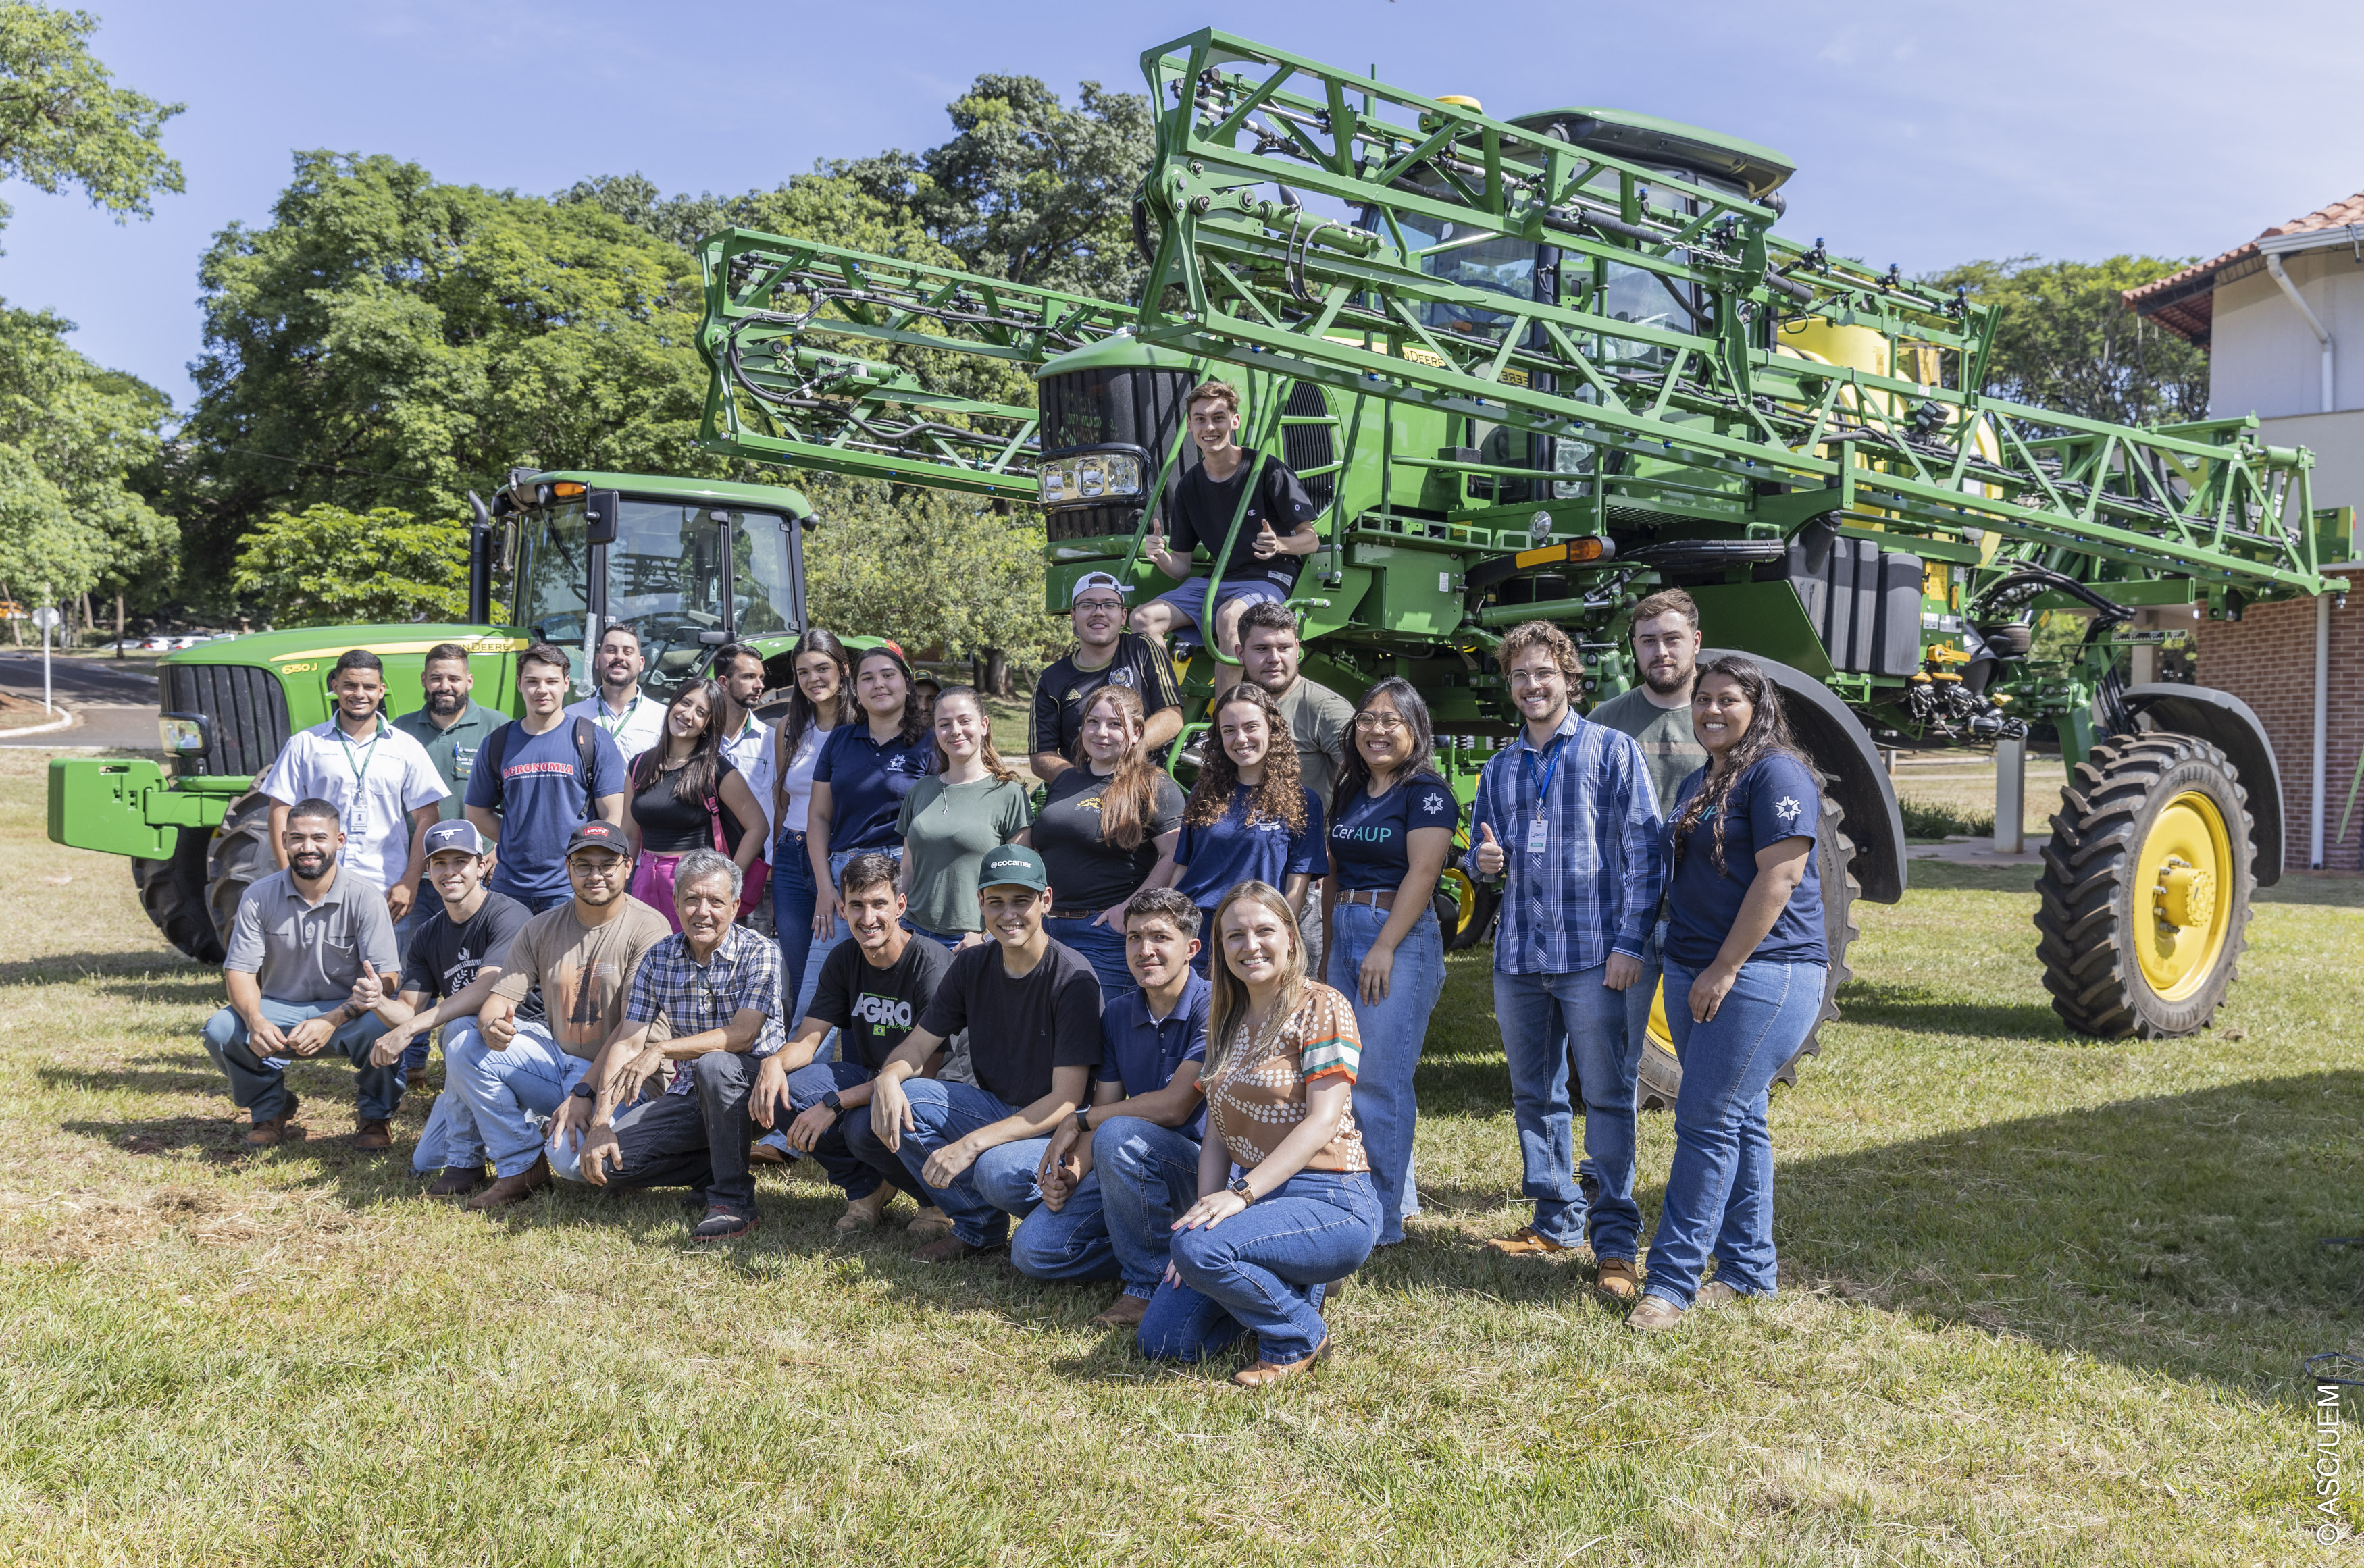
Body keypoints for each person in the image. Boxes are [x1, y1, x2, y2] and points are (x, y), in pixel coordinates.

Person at [1628, 658, 1827, 1332]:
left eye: (1727, 699)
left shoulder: (1777, 773)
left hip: (1762, 972)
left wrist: (1724, 966)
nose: (1711, 710)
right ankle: (1747, 1271)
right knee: (1739, 1119)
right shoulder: (1703, 779)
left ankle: (1671, 1283)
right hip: (1694, 967)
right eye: (1702, 699)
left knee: (1705, 1118)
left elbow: (1781, 876)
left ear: (1757, 706)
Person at [1467, 621, 1664, 1300]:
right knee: (1534, 1094)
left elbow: (1646, 854)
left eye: (1544, 673)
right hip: (1519, 955)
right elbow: (1483, 858)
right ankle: (1555, 1221)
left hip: (1593, 957)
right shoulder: (1499, 767)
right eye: (1520, 675)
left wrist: (1629, 945)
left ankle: (1615, 1243)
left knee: (1606, 1096)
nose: (1532, 685)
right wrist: (1483, 862)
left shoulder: (1611, 750)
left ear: (1569, 679)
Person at [1138, 880, 1378, 1388]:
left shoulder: (1322, 1004)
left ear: (1290, 935)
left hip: (1330, 1195)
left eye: (1264, 930)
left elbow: (1322, 1120)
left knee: (1201, 1253)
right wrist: (1200, 1222)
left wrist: (1238, 1199)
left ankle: (1298, 1336)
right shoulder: (1225, 1019)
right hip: (1260, 1202)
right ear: (1220, 948)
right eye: (1235, 936)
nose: (1251, 945)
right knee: (1164, 1341)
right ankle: (1289, 1282)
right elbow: (1217, 1134)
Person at [848, 845, 1102, 1263]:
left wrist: (971, 1144)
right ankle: (978, 1227)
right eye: (996, 901)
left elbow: (1066, 1101)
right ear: (980, 903)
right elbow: (917, 1045)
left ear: (1046, 901)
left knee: (995, 1169)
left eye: (1021, 900)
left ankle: (1059, 1208)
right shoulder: (971, 965)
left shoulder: (1072, 978)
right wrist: (889, 1078)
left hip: (1054, 1127)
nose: (1009, 914)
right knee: (897, 1101)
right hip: (995, 1107)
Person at [546, 850, 786, 1242]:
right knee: (607, 1163)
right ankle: (710, 1169)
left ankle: (733, 1202)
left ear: (735, 906)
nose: (702, 912)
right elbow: (627, 1041)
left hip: (757, 1090)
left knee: (715, 1065)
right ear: (675, 902)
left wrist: (662, 1050)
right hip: (691, 1093)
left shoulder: (760, 951)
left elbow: (742, 1036)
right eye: (692, 899)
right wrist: (602, 1121)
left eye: (716, 901)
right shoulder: (659, 957)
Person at [447, 819, 672, 1210]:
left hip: (627, 1080)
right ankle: (521, 1167)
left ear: (628, 866)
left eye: (607, 864)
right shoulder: (541, 927)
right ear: (568, 868)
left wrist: (585, 1092)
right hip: (559, 1062)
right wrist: (491, 1025)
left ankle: (626, 1147)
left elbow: (631, 1029)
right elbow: (499, 998)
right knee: (462, 1040)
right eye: (583, 865)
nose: (595, 875)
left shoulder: (649, 928)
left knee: (570, 1164)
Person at [1014, 887, 1211, 1328]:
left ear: (1191, 948)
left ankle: (1145, 1285)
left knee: (1118, 1133)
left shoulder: (1215, 1006)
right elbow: (1106, 1106)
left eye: (1160, 937)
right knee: (1034, 1251)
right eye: (1134, 937)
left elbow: (1177, 1107)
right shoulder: (1119, 1014)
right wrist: (1072, 1171)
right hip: (1131, 1169)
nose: (1145, 950)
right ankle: (1166, 1250)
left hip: (1200, 1172)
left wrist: (1078, 1119)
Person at [750, 852, 952, 1232]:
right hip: (876, 1078)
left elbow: (922, 1076)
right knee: (784, 1093)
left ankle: (938, 1201)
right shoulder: (844, 958)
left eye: (879, 904)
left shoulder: (931, 965)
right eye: (857, 905)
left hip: (935, 1092)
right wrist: (773, 1063)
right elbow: (807, 1043)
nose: (868, 917)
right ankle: (867, 1190)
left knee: (862, 1126)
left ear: (900, 906)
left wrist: (835, 1103)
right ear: (842, 909)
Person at [1323, 677, 1454, 1247]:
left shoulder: (1426, 792)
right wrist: (1330, 948)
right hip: (1346, 928)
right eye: (1367, 719)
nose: (1376, 730)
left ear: (1415, 730)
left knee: (1379, 1077)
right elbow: (1333, 874)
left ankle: (1381, 1220)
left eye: (1390, 720)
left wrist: (1384, 946)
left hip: (1396, 935)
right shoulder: (1350, 790)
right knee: (1339, 1073)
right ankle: (1366, 1196)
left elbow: (1423, 874)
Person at [200, 798, 406, 1149]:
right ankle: (270, 1109)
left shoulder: (366, 897)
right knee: (221, 1029)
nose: (308, 847)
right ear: (284, 841)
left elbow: (387, 979)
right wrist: (255, 1021)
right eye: (297, 838)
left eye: (319, 838)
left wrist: (332, 1019)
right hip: (278, 1009)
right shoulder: (258, 896)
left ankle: (375, 1115)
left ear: (339, 840)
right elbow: (240, 972)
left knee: (387, 1025)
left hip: (348, 1012)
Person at [361, 821, 535, 1198]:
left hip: (524, 1041)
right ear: (428, 870)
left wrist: (409, 1031)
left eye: (461, 861)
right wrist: (378, 1001)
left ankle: (470, 1163)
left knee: (457, 1029)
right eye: (440, 863)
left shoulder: (509, 914)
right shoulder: (428, 934)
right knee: (426, 1161)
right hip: (469, 1058)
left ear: (482, 866)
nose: (450, 872)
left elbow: (487, 988)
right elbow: (408, 1011)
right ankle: (500, 1130)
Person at [1129, 380, 1322, 661]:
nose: (1209, 427)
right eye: (1200, 419)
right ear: (1189, 425)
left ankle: (1228, 693)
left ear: (1234, 422)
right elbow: (1181, 568)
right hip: (1220, 581)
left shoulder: (1267, 469)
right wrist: (1160, 556)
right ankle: (1165, 689)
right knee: (1142, 618)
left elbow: (1311, 540)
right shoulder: (1188, 486)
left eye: (1218, 418)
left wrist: (1279, 545)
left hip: (1269, 577)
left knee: (1230, 616)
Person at [1020, 683, 1183, 1007]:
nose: (1101, 733)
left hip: (1103, 935)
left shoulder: (1154, 784)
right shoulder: (1066, 780)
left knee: (1096, 1029)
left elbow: (1175, 854)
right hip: (1044, 930)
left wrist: (1131, 909)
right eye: (1092, 722)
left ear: (1137, 732)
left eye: (1115, 724)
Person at [259, 648, 446, 920]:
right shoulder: (305, 744)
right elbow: (280, 811)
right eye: (350, 685)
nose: (360, 694)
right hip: (316, 891)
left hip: (385, 892)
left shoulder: (406, 747)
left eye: (369, 687)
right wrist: (288, 877)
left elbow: (428, 816)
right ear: (335, 687)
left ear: (381, 690)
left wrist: (410, 881)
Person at [1166, 682, 1326, 976]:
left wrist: (1283, 935)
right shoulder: (1203, 793)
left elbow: (1297, 885)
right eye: (1229, 730)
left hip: (1254, 938)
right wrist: (1171, 925)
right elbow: (1183, 868)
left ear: (1272, 730)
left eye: (1251, 727)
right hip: (1197, 934)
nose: (1241, 739)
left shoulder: (1302, 800)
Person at [465, 644, 629, 914]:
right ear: (519, 684)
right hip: (510, 887)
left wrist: (587, 862)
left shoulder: (593, 739)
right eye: (532, 681)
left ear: (566, 683)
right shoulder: (497, 743)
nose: (542, 690)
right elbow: (476, 812)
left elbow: (613, 815)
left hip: (572, 886)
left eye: (551, 681)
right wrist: (516, 838)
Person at [1235, 600, 1353, 968]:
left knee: (1299, 977)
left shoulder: (1323, 708)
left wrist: (1332, 845)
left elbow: (1367, 780)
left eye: (1284, 647)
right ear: (1240, 653)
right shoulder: (1238, 705)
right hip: (1245, 865)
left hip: (1301, 873)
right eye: (1262, 648)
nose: (1274, 658)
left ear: (1298, 648)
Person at [746, 629, 853, 1030]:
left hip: (839, 857)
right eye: (803, 672)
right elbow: (782, 800)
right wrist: (777, 864)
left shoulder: (861, 727)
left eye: (822, 668)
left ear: (843, 669)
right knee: (800, 969)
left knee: (842, 973)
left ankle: (842, 1060)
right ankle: (803, 1061)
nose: (813, 679)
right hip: (792, 858)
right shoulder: (788, 728)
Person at [806, 644, 933, 951]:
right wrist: (825, 887)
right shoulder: (839, 740)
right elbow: (819, 816)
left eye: (888, 675)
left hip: (901, 875)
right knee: (822, 979)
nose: (878, 684)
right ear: (856, 690)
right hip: (843, 878)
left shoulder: (930, 743)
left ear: (907, 684)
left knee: (896, 974)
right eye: (867, 678)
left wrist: (904, 886)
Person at [621, 678, 766, 930]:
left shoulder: (716, 769)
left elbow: (758, 826)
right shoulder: (639, 765)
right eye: (685, 703)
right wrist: (619, 883)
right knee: (647, 951)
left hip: (696, 885)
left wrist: (728, 881)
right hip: (644, 880)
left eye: (701, 712)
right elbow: (630, 835)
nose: (688, 715)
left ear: (709, 725)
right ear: (672, 704)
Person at [895, 684, 1033, 947]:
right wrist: (894, 923)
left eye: (964, 721)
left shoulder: (1009, 794)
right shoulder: (920, 790)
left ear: (984, 725)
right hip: (912, 934)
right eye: (944, 724)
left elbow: (1020, 880)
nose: (955, 731)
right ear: (935, 731)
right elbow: (907, 869)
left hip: (970, 941)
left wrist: (986, 935)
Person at [1031, 571, 1182, 782]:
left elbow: (1173, 717)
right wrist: (1081, 785)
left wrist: (1125, 748)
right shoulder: (1051, 679)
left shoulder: (1142, 649)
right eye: (1087, 605)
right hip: (1083, 790)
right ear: (1073, 616)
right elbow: (1041, 756)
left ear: (1123, 616)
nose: (1099, 612)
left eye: (1109, 605)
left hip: (1144, 781)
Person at [1587, 588, 1709, 811]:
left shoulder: (1724, 717)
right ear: (1635, 646)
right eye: (1649, 641)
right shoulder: (1602, 722)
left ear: (1696, 642)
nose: (1661, 651)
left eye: (1672, 639)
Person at [392, 643, 510, 823]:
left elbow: (515, 794)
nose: (445, 686)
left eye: (454, 679)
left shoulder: (497, 727)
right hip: (416, 841)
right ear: (423, 680)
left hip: (479, 842)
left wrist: (500, 842)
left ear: (469, 681)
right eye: (436, 678)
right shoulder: (401, 729)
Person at [564, 623, 667, 762]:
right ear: (597, 660)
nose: (619, 657)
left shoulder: (663, 718)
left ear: (641, 663)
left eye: (628, 652)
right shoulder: (571, 716)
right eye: (611, 650)